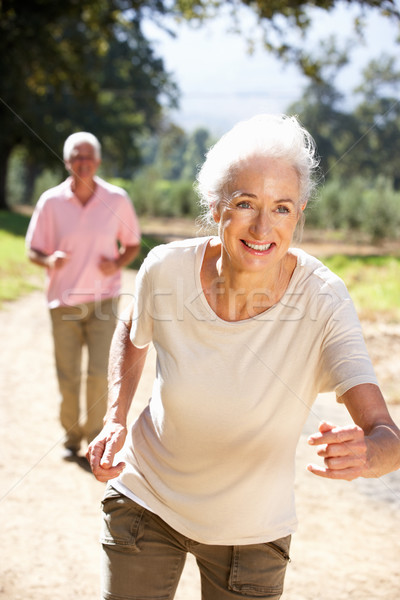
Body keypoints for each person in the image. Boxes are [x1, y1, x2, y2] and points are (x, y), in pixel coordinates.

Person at [87, 115, 400, 600]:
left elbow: (386, 433)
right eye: (245, 203)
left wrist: (369, 453)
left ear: (298, 215)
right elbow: (132, 326)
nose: (262, 226)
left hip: (252, 534)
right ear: (216, 208)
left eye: (281, 208)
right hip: (146, 498)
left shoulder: (324, 299)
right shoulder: (166, 269)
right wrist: (115, 418)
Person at [26, 131, 141, 460]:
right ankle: (71, 435)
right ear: (66, 161)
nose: (83, 162)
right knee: (68, 372)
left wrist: (117, 262)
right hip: (63, 302)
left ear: (98, 161)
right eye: (77, 156)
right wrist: (48, 260)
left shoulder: (117, 199)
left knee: (99, 373)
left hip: (104, 300)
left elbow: (132, 243)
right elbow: (33, 248)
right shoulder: (50, 201)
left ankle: (95, 436)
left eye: (88, 156)